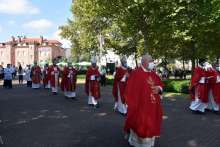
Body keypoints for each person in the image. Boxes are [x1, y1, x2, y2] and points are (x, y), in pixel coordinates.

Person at [124, 54, 164, 147]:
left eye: (152, 61)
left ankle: (149, 144)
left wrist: (159, 89)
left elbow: (160, 86)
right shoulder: (136, 74)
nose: (152, 63)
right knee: (139, 127)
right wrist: (131, 105)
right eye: (151, 61)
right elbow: (129, 91)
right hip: (140, 109)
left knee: (150, 126)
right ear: (144, 62)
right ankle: (137, 144)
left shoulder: (153, 74)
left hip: (152, 107)